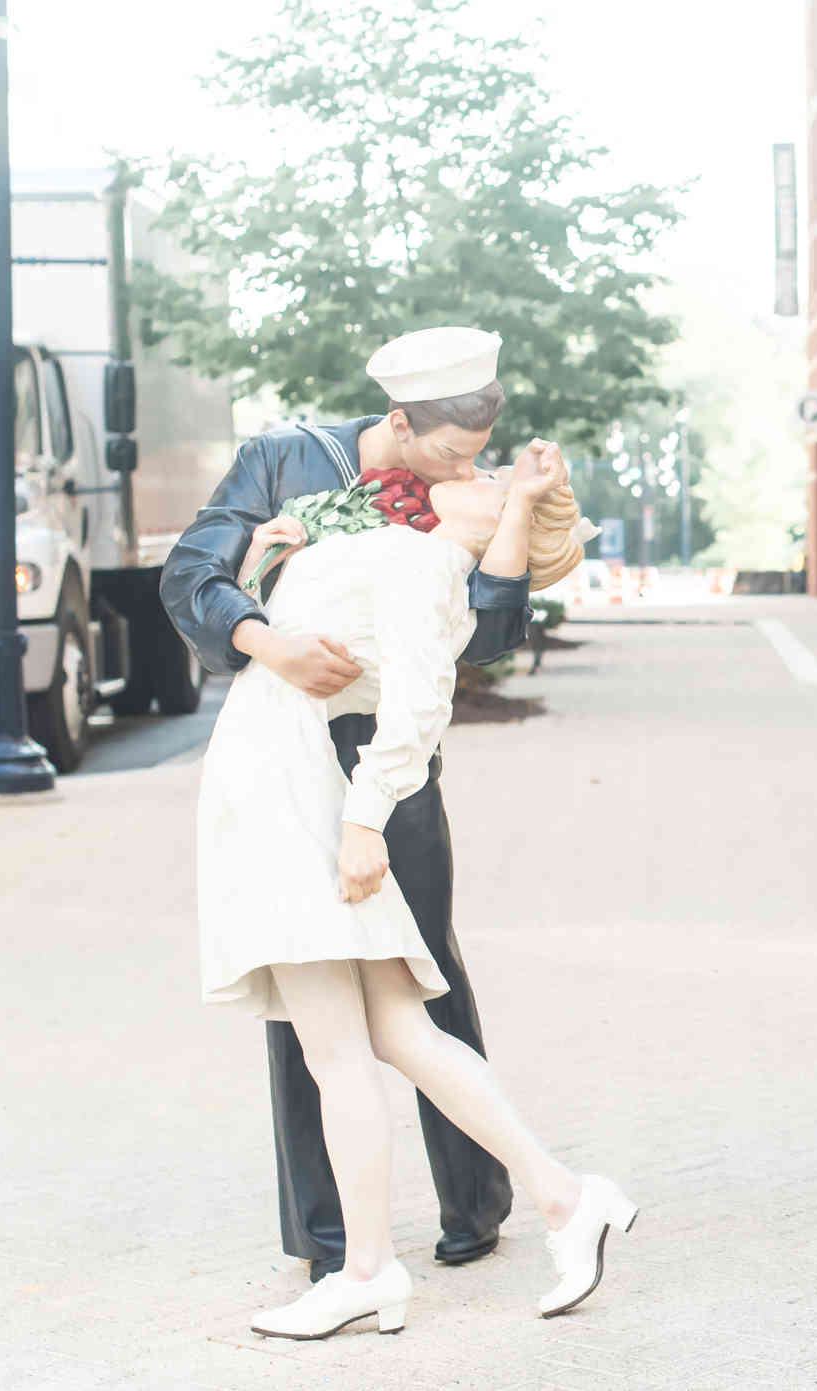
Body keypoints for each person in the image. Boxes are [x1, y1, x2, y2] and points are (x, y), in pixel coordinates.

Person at [197, 441, 630, 1338]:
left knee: (338, 1050)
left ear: (488, 525)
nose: (469, 476)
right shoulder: (393, 549)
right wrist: (262, 565)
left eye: (484, 483)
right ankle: (565, 1198)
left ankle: (367, 1270)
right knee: (402, 1031)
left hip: (292, 799)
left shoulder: (425, 565)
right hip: (289, 783)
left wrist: (363, 823)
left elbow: (420, 706)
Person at [163, 328, 529, 1283]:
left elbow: (487, 634)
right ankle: (328, 1237)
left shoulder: (463, 502)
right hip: (290, 749)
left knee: (426, 969)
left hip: (391, 760)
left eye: (479, 454)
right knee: (306, 991)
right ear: (399, 422)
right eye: (450, 451)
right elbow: (191, 573)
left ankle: (476, 1201)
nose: (466, 469)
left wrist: (515, 525)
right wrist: (266, 641)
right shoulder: (281, 460)